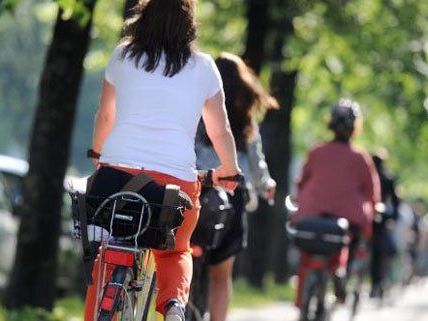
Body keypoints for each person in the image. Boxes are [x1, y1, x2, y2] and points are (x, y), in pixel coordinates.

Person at [84, 1, 241, 321]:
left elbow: (105, 117)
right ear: (189, 24)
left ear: (144, 16)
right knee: (174, 250)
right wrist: (229, 170)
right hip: (174, 182)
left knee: (109, 250)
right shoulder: (204, 67)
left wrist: (100, 156)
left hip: (116, 175)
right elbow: (219, 131)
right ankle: (173, 306)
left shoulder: (122, 56)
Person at [195, 52, 277, 321]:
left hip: (197, 187)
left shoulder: (198, 106)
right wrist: (267, 185)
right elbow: (256, 161)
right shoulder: (246, 118)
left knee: (180, 260)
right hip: (233, 194)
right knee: (221, 275)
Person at [294, 99, 381, 307]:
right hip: (347, 217)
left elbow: (302, 181)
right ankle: (340, 272)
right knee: (349, 241)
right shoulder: (361, 157)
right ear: (354, 128)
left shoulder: (316, 151)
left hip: (311, 213)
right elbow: (372, 192)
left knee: (306, 256)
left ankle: (301, 299)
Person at [370, 151, 400, 297]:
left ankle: (377, 283)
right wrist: (393, 218)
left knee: (379, 251)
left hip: (377, 217)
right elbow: (395, 201)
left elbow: (394, 201)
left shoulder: (386, 177)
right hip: (377, 217)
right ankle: (376, 282)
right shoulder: (386, 176)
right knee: (378, 251)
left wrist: (392, 218)